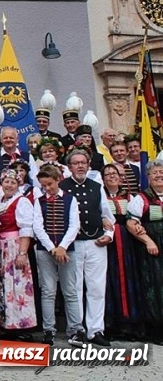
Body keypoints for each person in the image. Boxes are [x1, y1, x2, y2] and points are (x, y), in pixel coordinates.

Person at [59, 148, 115, 347]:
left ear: (89, 165)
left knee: (96, 287)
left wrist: (109, 235)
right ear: (69, 166)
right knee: (74, 288)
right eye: (76, 163)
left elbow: (108, 216)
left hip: (96, 243)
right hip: (72, 244)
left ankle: (95, 330)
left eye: (83, 162)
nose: (80, 166)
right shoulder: (62, 187)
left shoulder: (96, 186)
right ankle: (76, 329)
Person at [33, 164, 85, 347]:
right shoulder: (39, 202)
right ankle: (48, 330)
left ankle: (76, 330)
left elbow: (74, 225)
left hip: (67, 250)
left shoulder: (71, 200)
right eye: (44, 185)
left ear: (58, 180)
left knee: (70, 290)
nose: (47, 188)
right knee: (48, 291)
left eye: (50, 184)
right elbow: (38, 227)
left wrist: (62, 246)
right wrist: (51, 248)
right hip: (45, 250)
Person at [0, 169, 36, 337]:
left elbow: (26, 228)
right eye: (6, 182)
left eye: (13, 182)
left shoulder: (21, 201)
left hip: (14, 246)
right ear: (1, 183)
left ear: (18, 185)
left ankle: (23, 326)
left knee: (18, 285)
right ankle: (7, 325)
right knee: (4, 286)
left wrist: (22, 253)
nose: (9, 185)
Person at [100, 164, 142, 339]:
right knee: (109, 279)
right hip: (107, 242)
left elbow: (135, 218)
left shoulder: (130, 196)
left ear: (120, 177)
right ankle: (110, 323)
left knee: (128, 277)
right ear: (102, 178)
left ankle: (130, 323)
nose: (111, 176)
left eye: (114, 173)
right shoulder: (99, 196)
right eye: (107, 174)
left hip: (126, 241)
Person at [127, 159, 163, 344]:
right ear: (147, 177)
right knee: (155, 288)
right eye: (155, 172)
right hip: (153, 252)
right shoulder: (141, 198)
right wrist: (148, 241)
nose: (159, 175)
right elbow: (131, 223)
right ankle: (157, 329)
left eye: (162, 172)